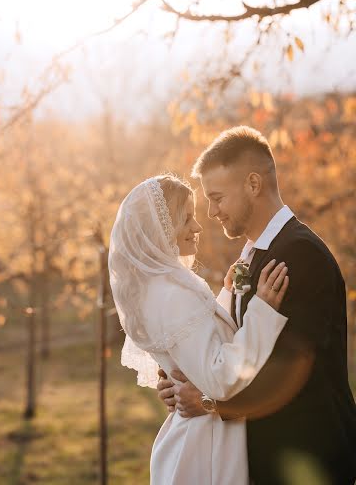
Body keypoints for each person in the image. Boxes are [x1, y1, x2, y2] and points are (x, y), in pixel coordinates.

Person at [157, 126, 356, 485]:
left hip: (307, 455)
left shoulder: (298, 254)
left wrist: (207, 403)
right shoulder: (256, 254)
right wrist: (179, 377)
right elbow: (233, 346)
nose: (212, 211)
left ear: (253, 184)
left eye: (217, 198)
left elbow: (289, 371)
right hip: (269, 454)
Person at [109, 172, 290, 485]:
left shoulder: (162, 286)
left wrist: (229, 291)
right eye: (186, 219)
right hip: (204, 446)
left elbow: (198, 341)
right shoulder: (171, 293)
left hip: (199, 434)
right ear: (161, 230)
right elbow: (220, 378)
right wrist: (263, 309)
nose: (197, 226)